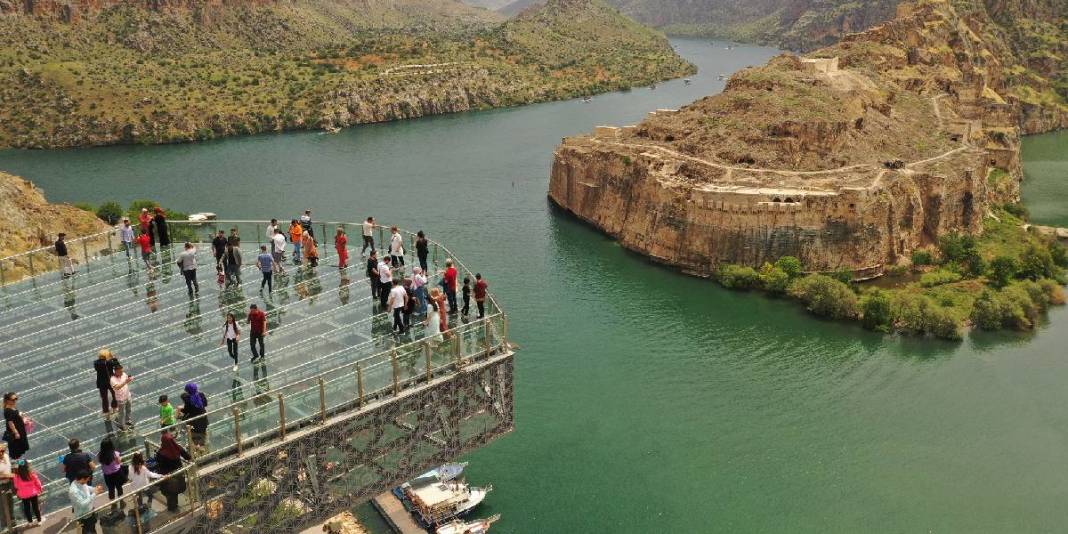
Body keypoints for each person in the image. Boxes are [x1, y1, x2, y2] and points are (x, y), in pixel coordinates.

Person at [154, 433, 190, 512]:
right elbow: (188, 457)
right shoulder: (178, 448)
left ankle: (172, 508)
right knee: (175, 490)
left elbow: (158, 464)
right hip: (179, 476)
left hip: (167, 478)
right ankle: (175, 506)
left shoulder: (161, 453)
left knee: (170, 493)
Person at [97, 438, 125, 513]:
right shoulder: (115, 453)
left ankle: (113, 503)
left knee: (111, 489)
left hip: (107, 475)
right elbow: (119, 462)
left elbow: (100, 462)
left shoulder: (100, 455)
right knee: (119, 487)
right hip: (117, 473)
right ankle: (121, 500)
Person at [13, 460, 42, 525]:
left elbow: (16, 486)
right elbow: (37, 482)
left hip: (24, 495)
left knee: (27, 508)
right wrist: (40, 488)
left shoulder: (17, 477)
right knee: (36, 507)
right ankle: (39, 521)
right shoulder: (31, 474)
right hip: (33, 493)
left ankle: (30, 522)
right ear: (27, 466)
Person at [2, 393, 28, 460]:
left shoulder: (12, 407)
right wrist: (16, 432)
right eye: (13, 399)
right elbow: (10, 422)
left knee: (20, 448)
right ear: (7, 400)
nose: (15, 401)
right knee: (16, 450)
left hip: (20, 429)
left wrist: (21, 415)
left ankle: (21, 462)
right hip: (16, 432)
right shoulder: (7, 410)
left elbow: (15, 415)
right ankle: (18, 465)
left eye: (16, 398)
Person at [94, 349, 118, 415]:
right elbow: (117, 366)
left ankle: (106, 411)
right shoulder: (109, 362)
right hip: (110, 381)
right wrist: (114, 359)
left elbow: (97, 368)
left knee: (104, 397)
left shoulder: (96, 363)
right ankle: (114, 407)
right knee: (114, 395)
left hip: (101, 382)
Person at [109, 364, 133, 431]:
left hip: (127, 395)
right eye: (120, 371)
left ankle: (128, 420)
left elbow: (127, 380)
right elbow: (117, 387)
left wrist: (129, 379)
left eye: (122, 371)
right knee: (121, 413)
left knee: (129, 409)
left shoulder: (124, 374)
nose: (121, 372)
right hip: (120, 399)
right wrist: (126, 381)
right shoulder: (112, 379)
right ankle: (120, 424)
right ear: (115, 371)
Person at [0, 443, 13, 531]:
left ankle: (12, 522)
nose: (1, 453)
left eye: (2, 451)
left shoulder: (6, 456)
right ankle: (5, 526)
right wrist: (9, 475)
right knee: (2, 506)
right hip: (1, 485)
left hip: (9, 483)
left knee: (10, 502)